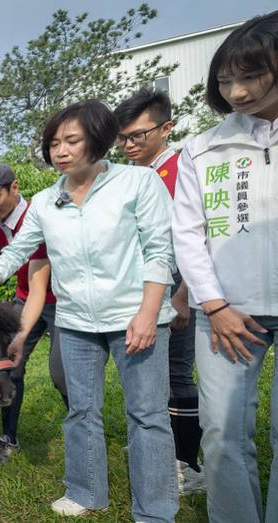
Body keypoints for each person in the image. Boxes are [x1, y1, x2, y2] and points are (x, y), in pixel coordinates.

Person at [0, 100, 177, 521]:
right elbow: (15, 254)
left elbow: (159, 252)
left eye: (71, 140)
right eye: (53, 143)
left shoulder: (137, 183)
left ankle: (154, 510)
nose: (60, 151)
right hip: (77, 322)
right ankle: (85, 491)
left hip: (135, 317)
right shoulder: (46, 202)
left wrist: (149, 312)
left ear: (97, 139)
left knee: (147, 417)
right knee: (80, 411)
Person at [172, 11, 278, 522]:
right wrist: (213, 304)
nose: (237, 92)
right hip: (227, 313)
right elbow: (188, 233)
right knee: (221, 432)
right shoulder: (203, 148)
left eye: (251, 76)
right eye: (225, 80)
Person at [114, 88, 205, 495]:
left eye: (138, 136)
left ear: (166, 128)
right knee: (158, 380)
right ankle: (167, 458)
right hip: (147, 291)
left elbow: (196, 236)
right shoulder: (134, 177)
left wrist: (182, 294)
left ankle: (189, 465)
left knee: (177, 376)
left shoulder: (181, 169)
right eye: (123, 138)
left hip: (178, 292)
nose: (129, 145)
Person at [0, 161, 68, 464]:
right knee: (9, 366)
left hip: (62, 301)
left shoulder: (39, 216)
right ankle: (8, 437)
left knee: (62, 374)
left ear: (14, 188)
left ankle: (82, 429)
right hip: (26, 298)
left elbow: (41, 282)